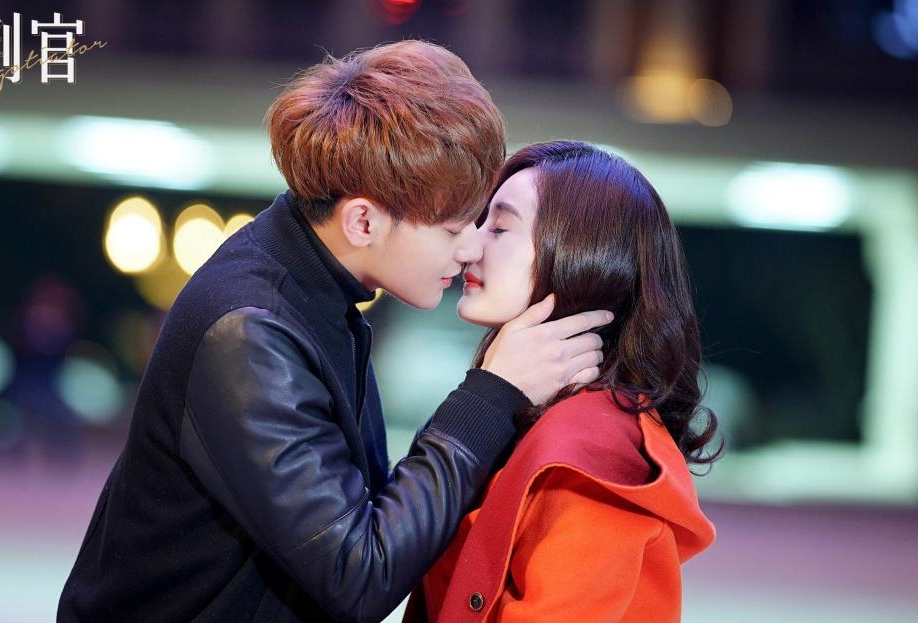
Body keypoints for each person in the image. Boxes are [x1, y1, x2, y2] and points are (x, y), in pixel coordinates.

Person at [58, 43, 612, 623]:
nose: (471, 248)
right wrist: (490, 396)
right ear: (363, 220)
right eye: (454, 229)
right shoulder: (249, 333)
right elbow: (359, 574)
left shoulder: (311, 288)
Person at [406, 141, 720, 622]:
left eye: (500, 227)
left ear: (582, 254)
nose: (469, 245)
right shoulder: (538, 416)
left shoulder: (592, 443)